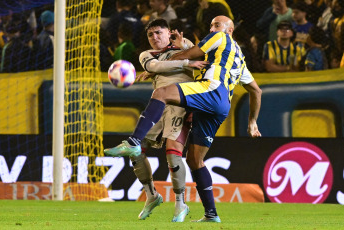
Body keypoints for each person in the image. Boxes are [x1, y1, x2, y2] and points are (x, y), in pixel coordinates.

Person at [105, 15, 262, 222]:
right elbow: (256, 91)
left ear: (229, 30)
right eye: (211, 24)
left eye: (216, 25)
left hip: (206, 93)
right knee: (195, 160)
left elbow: (192, 52)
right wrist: (252, 122)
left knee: (161, 98)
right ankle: (211, 214)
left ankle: (177, 199)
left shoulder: (219, 39)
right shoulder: (235, 58)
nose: (212, 28)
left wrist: (183, 51)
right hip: (216, 105)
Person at [117, 18, 207, 222]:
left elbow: (200, 54)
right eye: (150, 34)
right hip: (158, 106)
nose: (155, 37)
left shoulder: (185, 47)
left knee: (173, 155)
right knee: (135, 149)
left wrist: (184, 45)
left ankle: (180, 203)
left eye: (159, 32)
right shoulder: (147, 55)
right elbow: (157, 67)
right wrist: (157, 69)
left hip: (180, 105)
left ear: (169, 33)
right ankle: (151, 195)